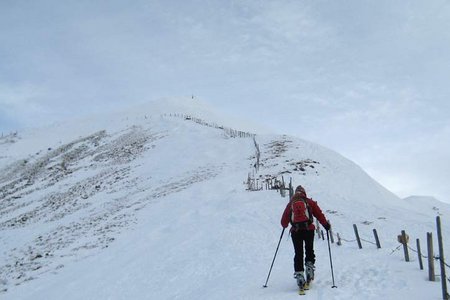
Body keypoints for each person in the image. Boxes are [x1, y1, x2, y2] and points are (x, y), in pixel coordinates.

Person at [280, 185, 330, 288]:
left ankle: (299, 274)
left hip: (295, 231)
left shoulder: (290, 204)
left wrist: (286, 225)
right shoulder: (309, 202)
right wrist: (325, 225)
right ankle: (309, 268)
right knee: (309, 249)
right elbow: (319, 214)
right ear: (304, 192)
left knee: (298, 253)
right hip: (309, 230)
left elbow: (283, 222)